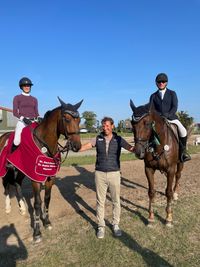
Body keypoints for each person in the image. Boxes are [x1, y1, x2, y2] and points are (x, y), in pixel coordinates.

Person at [79, 117, 135, 239]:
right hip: (100, 174)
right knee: (100, 201)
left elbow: (131, 148)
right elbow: (84, 146)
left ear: (112, 126)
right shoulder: (97, 138)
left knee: (116, 201)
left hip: (114, 173)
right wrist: (75, 146)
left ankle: (115, 224)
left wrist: (142, 148)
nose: (105, 128)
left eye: (107, 125)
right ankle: (101, 226)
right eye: (103, 126)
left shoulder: (119, 139)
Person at [149, 73, 191, 162]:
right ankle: (149, 150)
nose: (161, 83)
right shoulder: (153, 96)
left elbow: (174, 107)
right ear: (156, 83)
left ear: (166, 83)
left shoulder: (172, 93)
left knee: (183, 131)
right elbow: (151, 109)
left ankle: (183, 152)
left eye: (163, 81)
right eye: (159, 82)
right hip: (158, 120)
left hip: (171, 118)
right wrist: (158, 117)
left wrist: (167, 115)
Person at [12, 77, 39, 152]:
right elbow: (15, 112)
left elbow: (36, 112)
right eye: (25, 86)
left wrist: (38, 118)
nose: (27, 87)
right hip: (22, 122)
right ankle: (11, 158)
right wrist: (23, 119)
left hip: (33, 122)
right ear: (21, 87)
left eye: (28, 86)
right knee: (16, 141)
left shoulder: (34, 99)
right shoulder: (17, 98)